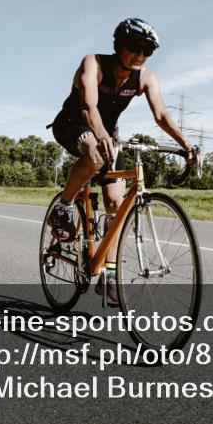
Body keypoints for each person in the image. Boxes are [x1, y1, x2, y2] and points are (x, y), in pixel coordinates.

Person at [48, 18, 197, 306]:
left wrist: (187, 145)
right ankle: (64, 207)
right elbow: (89, 105)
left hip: (107, 134)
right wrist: (101, 134)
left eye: (147, 51)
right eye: (135, 47)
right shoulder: (93, 63)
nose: (140, 55)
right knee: (94, 150)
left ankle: (110, 274)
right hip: (72, 124)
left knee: (116, 204)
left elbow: (162, 115)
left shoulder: (145, 77)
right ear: (119, 46)